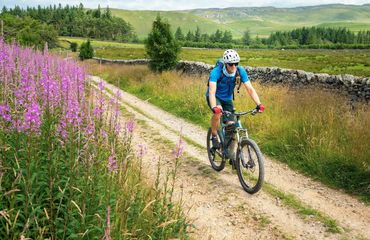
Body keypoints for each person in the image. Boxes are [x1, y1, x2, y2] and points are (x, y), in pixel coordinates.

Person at [206, 49, 265, 156]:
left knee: (232, 125)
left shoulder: (240, 71)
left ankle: (229, 152)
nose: (233, 66)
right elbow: (211, 91)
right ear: (225, 63)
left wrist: (259, 104)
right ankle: (214, 136)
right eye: (231, 64)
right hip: (215, 97)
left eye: (236, 63)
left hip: (227, 99)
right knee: (218, 113)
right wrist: (215, 107)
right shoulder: (216, 72)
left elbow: (250, 89)